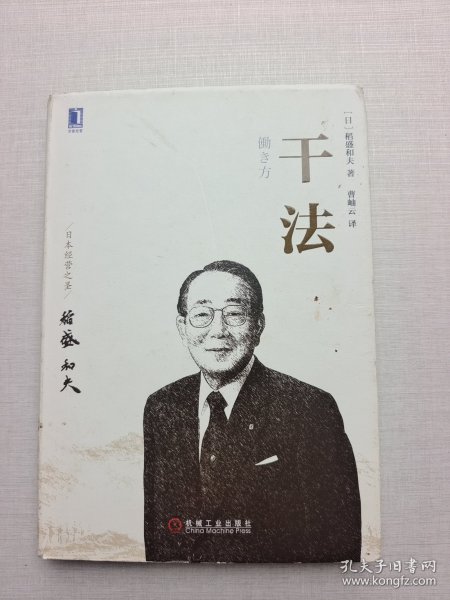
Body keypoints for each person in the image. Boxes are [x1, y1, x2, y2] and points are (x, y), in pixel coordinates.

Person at [143, 260, 361, 563]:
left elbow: (337, 549)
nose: (218, 331)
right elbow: (159, 533)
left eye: (234, 314)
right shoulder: (163, 406)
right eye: (202, 315)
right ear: (182, 328)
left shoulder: (309, 408)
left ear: (258, 326)